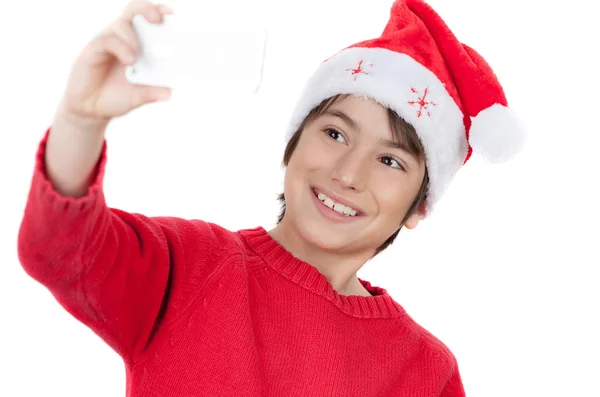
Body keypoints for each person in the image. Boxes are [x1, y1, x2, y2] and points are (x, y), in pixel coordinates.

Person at [17, 0, 523, 395]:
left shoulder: (427, 371)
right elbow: (59, 247)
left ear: (420, 205)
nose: (348, 174)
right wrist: (81, 120)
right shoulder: (191, 267)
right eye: (335, 134)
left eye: (390, 161)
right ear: (292, 145)